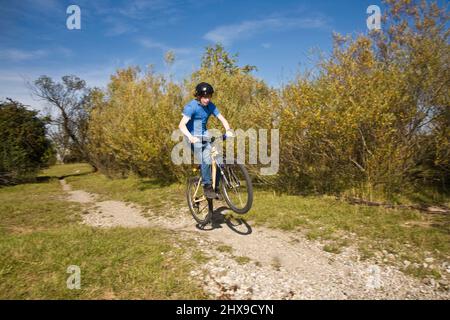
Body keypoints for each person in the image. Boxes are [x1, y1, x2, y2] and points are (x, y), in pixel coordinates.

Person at [178, 82, 234, 199]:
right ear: (198, 96)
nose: (207, 99)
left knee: (218, 158)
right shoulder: (191, 107)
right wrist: (190, 137)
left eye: (209, 97)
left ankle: (216, 188)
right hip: (192, 138)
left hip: (204, 135)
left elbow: (222, 119)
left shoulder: (210, 106)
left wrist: (228, 130)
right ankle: (207, 186)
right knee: (206, 157)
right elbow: (181, 125)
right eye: (205, 97)